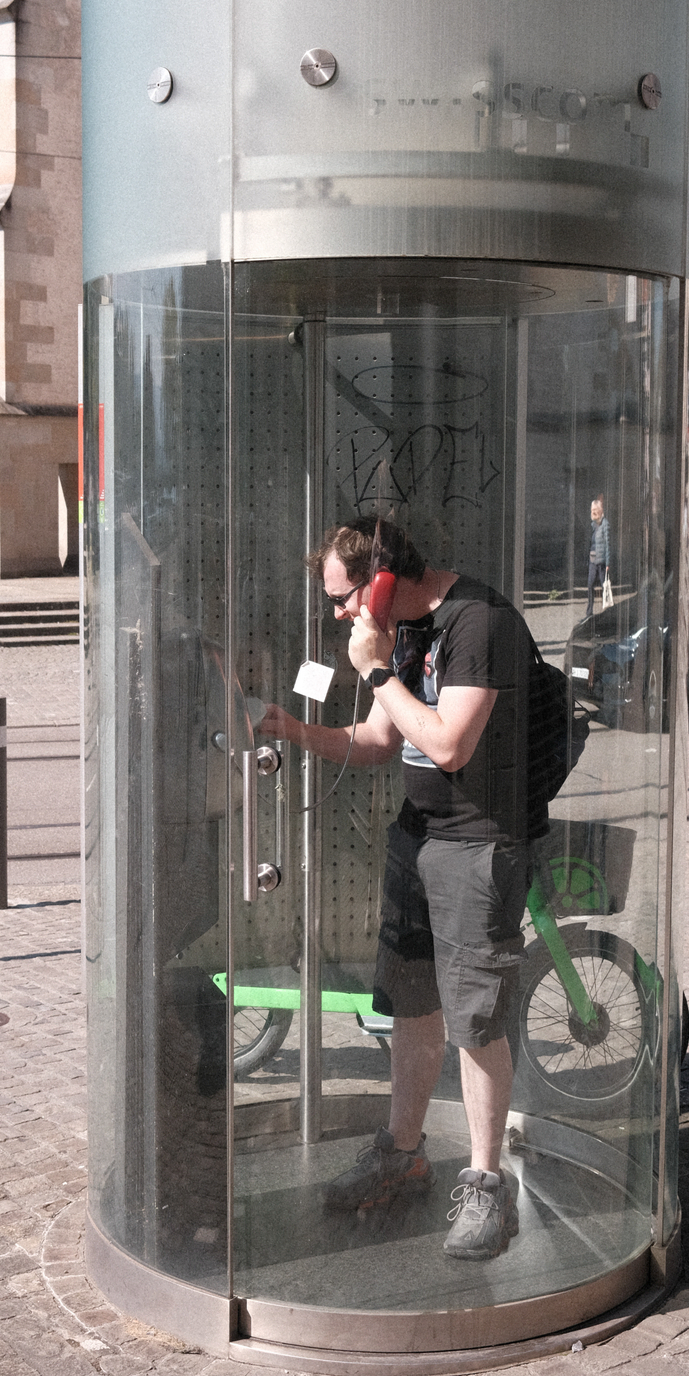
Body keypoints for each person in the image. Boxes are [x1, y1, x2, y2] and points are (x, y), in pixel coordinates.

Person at [260, 516, 548, 1261]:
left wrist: (378, 670)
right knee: (411, 1001)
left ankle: (487, 1184)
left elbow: (449, 741)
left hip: (479, 842)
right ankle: (403, 1151)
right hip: (417, 836)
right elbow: (382, 741)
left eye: (343, 596)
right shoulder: (406, 632)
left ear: (383, 577)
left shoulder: (478, 624)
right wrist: (290, 729)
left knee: (474, 1016)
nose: (338, 613)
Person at [587, 495, 610, 616]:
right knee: (590, 585)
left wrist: (608, 563)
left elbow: (608, 544)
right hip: (592, 560)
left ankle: (607, 609)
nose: (593, 513)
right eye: (592, 511)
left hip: (601, 561)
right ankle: (589, 610)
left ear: (600, 511)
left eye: (595, 511)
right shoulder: (591, 525)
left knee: (604, 586)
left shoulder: (605, 524)